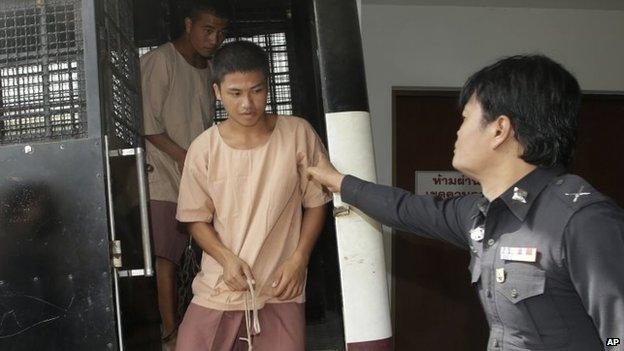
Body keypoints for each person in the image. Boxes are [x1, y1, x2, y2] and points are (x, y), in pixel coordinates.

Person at [307, 55, 624, 350]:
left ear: (499, 129)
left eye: (465, 119)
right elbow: (404, 209)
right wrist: (338, 182)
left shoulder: (581, 220)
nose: (457, 132)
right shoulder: (481, 214)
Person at [175, 41, 330, 350]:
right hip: (221, 285)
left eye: (256, 90)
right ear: (217, 92)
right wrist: (226, 259)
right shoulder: (203, 149)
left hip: (281, 287)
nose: (247, 103)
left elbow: (316, 203)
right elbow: (194, 219)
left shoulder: (298, 133)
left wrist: (300, 258)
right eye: (235, 93)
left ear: (268, 88)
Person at [140, 0, 230, 347]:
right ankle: (169, 333)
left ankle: (200, 330)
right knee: (166, 258)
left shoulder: (209, 71)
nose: (214, 38)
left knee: (200, 255)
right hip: (161, 173)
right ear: (188, 25)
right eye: (208, 29)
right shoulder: (159, 62)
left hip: (195, 175)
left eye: (221, 32)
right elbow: (148, 126)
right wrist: (186, 157)